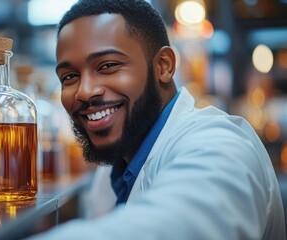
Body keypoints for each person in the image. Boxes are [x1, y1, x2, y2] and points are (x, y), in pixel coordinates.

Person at [28, 0, 286, 239]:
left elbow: (175, 227)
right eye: (69, 77)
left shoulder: (221, 143)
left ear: (164, 65)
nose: (84, 91)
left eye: (107, 66)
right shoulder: (113, 171)